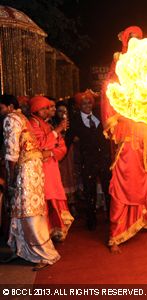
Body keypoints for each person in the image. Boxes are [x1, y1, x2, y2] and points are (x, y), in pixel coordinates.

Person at [102, 26, 147, 253]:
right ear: (126, 40)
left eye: (140, 37)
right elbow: (109, 89)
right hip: (126, 131)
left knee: (144, 179)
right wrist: (115, 119)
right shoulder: (119, 60)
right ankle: (116, 234)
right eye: (133, 38)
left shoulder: (146, 63)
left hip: (143, 131)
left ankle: (146, 219)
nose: (137, 41)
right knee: (124, 181)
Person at [1, 94, 60, 270]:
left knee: (29, 210)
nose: (1, 112)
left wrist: (10, 177)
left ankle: (45, 253)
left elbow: (11, 151)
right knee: (23, 209)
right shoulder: (21, 117)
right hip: (32, 167)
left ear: (10, 107)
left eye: (1, 108)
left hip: (25, 170)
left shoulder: (10, 119)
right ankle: (21, 249)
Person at [29, 96, 73, 242]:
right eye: (46, 108)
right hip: (42, 169)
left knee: (54, 197)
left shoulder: (46, 124)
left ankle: (55, 230)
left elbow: (61, 146)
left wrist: (52, 152)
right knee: (47, 199)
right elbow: (40, 145)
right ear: (38, 109)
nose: (49, 110)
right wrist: (57, 131)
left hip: (52, 166)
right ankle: (45, 233)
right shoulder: (33, 124)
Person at [69, 90, 111, 231]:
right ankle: (91, 220)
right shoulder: (75, 120)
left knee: (108, 190)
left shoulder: (100, 115)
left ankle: (112, 217)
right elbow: (67, 140)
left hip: (105, 160)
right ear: (78, 105)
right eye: (83, 103)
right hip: (87, 161)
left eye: (89, 103)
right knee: (89, 191)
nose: (87, 105)